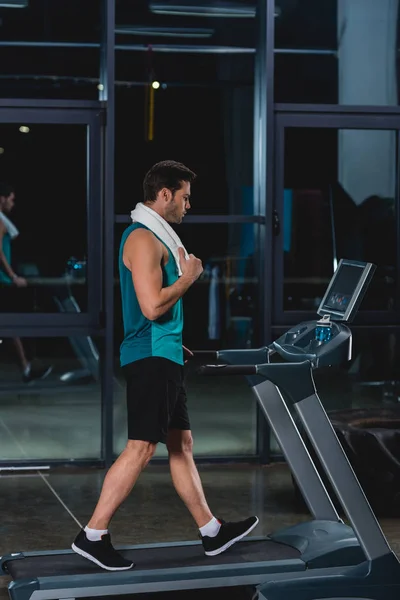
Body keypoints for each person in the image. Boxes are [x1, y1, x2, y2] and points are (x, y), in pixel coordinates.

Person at [72, 160, 258, 571]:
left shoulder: (156, 236)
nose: (189, 205)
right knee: (141, 447)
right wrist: (190, 276)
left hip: (165, 353)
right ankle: (93, 534)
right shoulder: (142, 239)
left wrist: (176, 343)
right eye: (185, 197)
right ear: (164, 195)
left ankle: (211, 532)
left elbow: (159, 310)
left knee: (181, 445)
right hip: (151, 357)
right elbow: (152, 305)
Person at [0, 183, 52, 383]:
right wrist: (13, 276)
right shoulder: (0, 222)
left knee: (10, 326)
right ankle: (26, 368)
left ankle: (26, 368)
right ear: (2, 198)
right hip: (3, 282)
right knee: (11, 325)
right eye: (11, 199)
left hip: (4, 281)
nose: (13, 203)